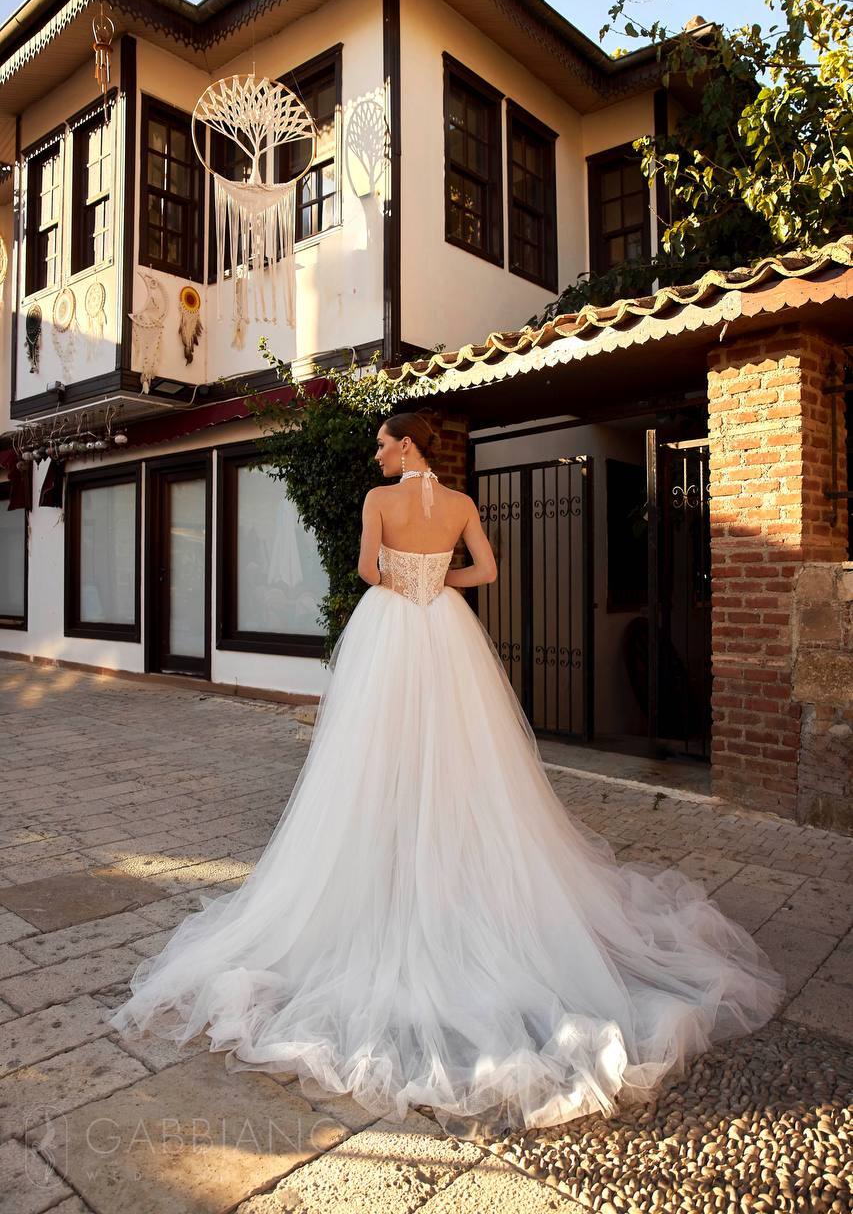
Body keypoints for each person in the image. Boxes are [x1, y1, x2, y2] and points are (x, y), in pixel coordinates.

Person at [106, 408, 785, 1139]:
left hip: (391, 626)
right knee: (461, 751)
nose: (375, 455)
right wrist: (438, 577)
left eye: (381, 444)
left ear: (405, 446)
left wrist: (403, 576)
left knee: (375, 751)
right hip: (445, 623)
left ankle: (389, 862)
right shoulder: (459, 502)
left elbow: (367, 570)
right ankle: (451, 860)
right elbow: (486, 571)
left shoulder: (379, 500)